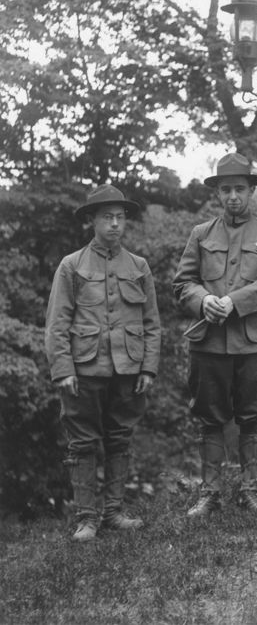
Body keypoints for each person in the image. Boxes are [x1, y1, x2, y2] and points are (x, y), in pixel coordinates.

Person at [44, 185, 161, 542]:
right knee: (82, 443)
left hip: (128, 370)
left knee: (120, 439)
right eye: (107, 217)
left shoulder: (139, 267)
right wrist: (62, 369)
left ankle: (113, 512)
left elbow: (153, 324)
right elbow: (57, 323)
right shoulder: (72, 265)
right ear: (92, 221)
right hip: (83, 371)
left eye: (120, 217)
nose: (114, 224)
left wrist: (148, 368)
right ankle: (87, 519)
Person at [173, 153, 257, 517]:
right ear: (217, 194)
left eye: (240, 188)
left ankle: (250, 490)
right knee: (210, 417)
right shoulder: (201, 234)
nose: (233, 196)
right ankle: (210, 493)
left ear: (252, 191)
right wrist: (204, 300)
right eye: (226, 190)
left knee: (253, 416)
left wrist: (233, 302)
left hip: (255, 344)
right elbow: (182, 283)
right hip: (210, 343)